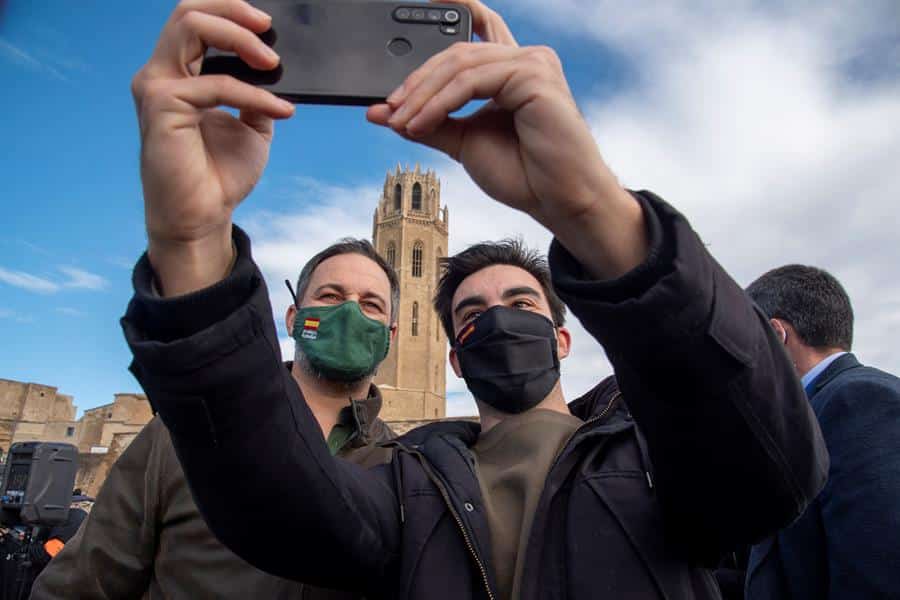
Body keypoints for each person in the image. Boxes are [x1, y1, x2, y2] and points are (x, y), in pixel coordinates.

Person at [120, 0, 828, 598]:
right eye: (470, 314)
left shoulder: (652, 455)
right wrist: (191, 243)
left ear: (561, 337)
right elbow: (272, 505)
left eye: (521, 302)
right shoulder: (402, 476)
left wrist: (590, 209)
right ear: (455, 358)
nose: (497, 319)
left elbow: (770, 464)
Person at [30, 239, 398, 599]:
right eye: (330, 297)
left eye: (371, 304)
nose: (350, 313)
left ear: (390, 336)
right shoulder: (186, 432)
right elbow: (81, 582)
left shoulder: (401, 467)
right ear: (293, 318)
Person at [745, 265, 900, 600]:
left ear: (776, 333)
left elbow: (877, 574)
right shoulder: (819, 412)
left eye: (745, 345)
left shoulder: (858, 401)